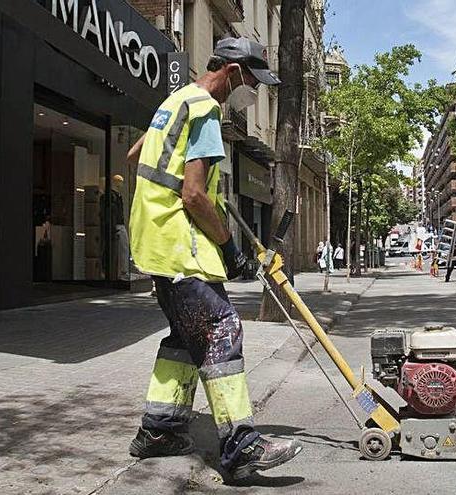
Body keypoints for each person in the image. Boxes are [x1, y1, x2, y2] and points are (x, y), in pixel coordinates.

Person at [125, 37, 301, 479]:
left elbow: (135, 154)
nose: (253, 92)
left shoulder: (175, 100)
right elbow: (194, 194)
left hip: (155, 242)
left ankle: (160, 430)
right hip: (180, 244)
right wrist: (229, 247)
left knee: (186, 338)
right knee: (223, 327)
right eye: (253, 82)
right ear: (233, 71)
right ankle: (241, 446)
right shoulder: (205, 108)